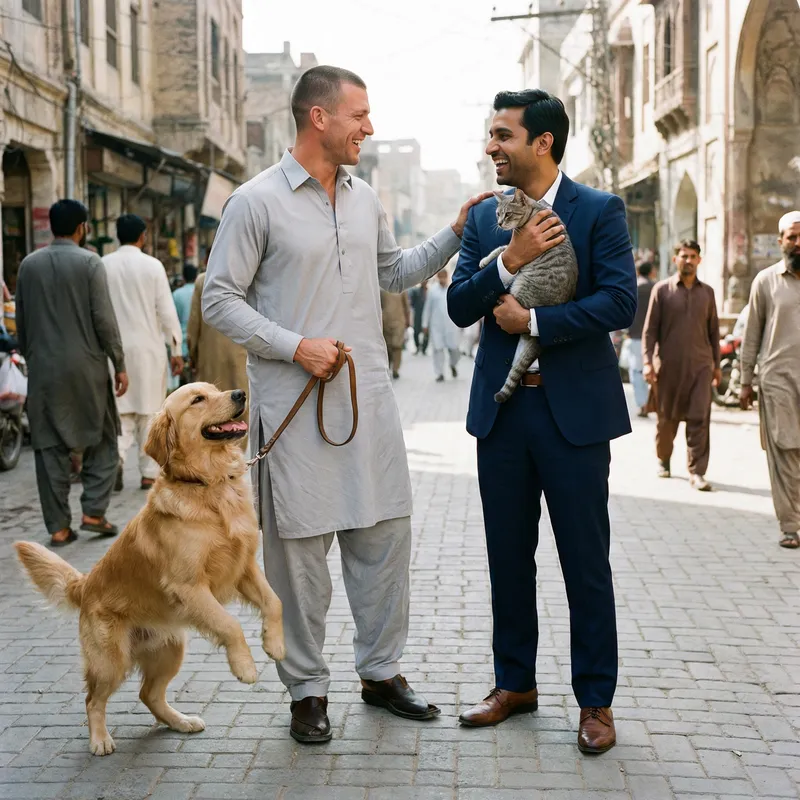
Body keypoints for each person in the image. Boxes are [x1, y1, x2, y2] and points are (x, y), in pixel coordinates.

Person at [202, 65, 490, 744]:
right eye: (359, 114)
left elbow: (391, 272)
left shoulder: (366, 199)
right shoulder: (255, 201)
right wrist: (294, 345)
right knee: (297, 559)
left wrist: (453, 233)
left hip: (371, 405)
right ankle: (306, 689)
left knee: (384, 538)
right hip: (294, 408)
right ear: (318, 118)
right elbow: (219, 297)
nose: (370, 127)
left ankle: (380, 672)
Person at [448, 89, 636, 755]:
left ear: (543, 143)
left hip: (574, 418)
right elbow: (458, 305)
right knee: (507, 558)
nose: (491, 146)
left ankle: (596, 702)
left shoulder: (598, 211)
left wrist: (534, 321)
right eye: (490, 135)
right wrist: (512, 258)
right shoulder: (485, 219)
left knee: (586, 562)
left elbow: (619, 301)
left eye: (502, 135)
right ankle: (514, 683)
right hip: (502, 417)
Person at [15, 199, 128, 547]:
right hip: (87, 369)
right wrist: (119, 363)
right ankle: (94, 510)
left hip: (44, 370)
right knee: (105, 440)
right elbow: (104, 321)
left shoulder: (27, 266)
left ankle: (59, 528)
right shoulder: (90, 262)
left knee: (48, 447)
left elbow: (21, 322)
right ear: (82, 228)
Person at [103, 214, 183, 491]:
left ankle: (117, 458)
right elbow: (166, 311)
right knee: (149, 412)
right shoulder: (153, 266)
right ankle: (149, 472)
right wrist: (176, 349)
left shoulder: (103, 265)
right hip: (149, 350)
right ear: (142, 237)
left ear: (117, 236)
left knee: (120, 412)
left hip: (115, 352)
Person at [740, 211, 800, 549]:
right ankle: (790, 525)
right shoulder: (765, 281)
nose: (797, 242)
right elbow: (751, 335)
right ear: (781, 241)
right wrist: (746, 381)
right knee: (784, 451)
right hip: (777, 381)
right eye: (791, 237)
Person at [643, 240, 721, 491]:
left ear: (699, 260)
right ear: (676, 259)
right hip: (668, 367)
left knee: (700, 418)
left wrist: (717, 365)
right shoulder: (662, 290)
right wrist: (647, 362)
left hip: (700, 367)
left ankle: (697, 471)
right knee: (667, 419)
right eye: (684, 255)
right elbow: (650, 331)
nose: (688, 260)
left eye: (693, 256)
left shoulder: (707, 292)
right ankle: (663, 459)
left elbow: (713, 331)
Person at [187, 270, 249, 450]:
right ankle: (235, 455)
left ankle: (213, 453)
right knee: (240, 405)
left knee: (209, 407)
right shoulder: (247, 276)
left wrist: (193, 355)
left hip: (209, 356)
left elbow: (194, 322)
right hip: (241, 355)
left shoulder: (202, 280)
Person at [628, 261, 657, 417]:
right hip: (655, 338)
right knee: (654, 370)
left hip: (637, 335)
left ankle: (643, 404)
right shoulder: (657, 288)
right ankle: (655, 402)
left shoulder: (633, 288)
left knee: (637, 372)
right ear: (651, 271)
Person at [423, 269, 462, 381]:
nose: (443, 279)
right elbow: (427, 308)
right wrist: (425, 324)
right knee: (438, 349)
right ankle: (439, 373)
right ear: (437, 277)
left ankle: (453, 365)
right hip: (436, 326)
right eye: (441, 277)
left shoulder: (452, 289)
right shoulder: (432, 291)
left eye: (444, 277)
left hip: (451, 325)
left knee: (454, 348)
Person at [380, 288, 411, 379]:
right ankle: (388, 366)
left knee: (397, 345)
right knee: (388, 346)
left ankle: (396, 369)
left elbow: (407, 306)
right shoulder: (382, 289)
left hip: (399, 321)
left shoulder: (402, 289)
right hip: (386, 322)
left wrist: (408, 320)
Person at [172, 263, 197, 360]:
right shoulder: (202, 292)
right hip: (199, 343)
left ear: (183, 277)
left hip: (181, 344)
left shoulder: (176, 294)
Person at [407, 281, 429, 354]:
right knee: (416, 332)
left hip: (427, 315)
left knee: (426, 333)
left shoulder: (429, 291)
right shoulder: (415, 291)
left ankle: (424, 349)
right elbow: (412, 303)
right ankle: (417, 347)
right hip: (418, 315)